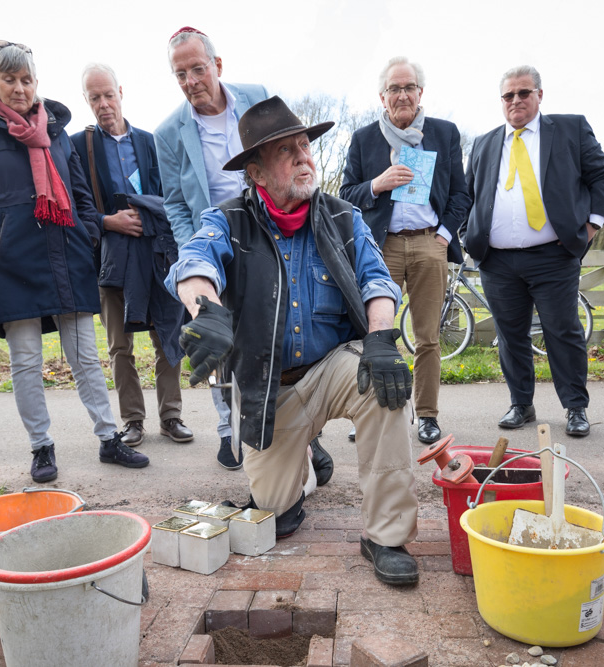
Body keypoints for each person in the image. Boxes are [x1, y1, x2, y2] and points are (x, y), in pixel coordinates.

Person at [166, 97, 420, 586]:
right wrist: (207, 310)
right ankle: (304, 460)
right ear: (257, 174)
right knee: (276, 517)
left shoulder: (345, 217)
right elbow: (193, 263)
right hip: (270, 387)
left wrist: (383, 338)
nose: (305, 157)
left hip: (333, 370)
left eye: (306, 146)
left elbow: (377, 281)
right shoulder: (229, 219)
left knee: (383, 385)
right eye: (288, 151)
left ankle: (385, 536)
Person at [0, 42, 147, 482]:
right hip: (13, 261)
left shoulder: (53, 128)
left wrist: (86, 231)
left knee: (86, 357)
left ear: (37, 83)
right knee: (26, 361)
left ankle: (109, 439)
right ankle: (41, 447)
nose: (19, 88)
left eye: (26, 80)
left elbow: (79, 192)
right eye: (9, 79)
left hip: (66, 253)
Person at [155, 27, 331, 483]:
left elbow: (287, 150)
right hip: (219, 238)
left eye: (197, 68)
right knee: (218, 336)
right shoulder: (168, 132)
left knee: (284, 327)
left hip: (274, 230)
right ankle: (228, 427)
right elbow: (174, 200)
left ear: (217, 65)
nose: (191, 80)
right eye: (180, 74)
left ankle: (305, 435)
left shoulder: (257, 98)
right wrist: (195, 251)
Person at [463, 65, 604, 437]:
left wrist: (591, 225)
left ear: (539, 95)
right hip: (497, 260)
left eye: (524, 93)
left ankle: (576, 407)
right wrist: (468, 234)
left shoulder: (569, 129)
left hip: (553, 255)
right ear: (501, 101)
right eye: (508, 95)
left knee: (562, 331)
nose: (516, 101)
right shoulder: (484, 143)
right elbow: (468, 196)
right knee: (510, 334)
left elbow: (602, 176)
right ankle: (521, 404)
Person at [340, 58, 471, 445]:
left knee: (428, 336)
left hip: (431, 242)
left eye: (408, 87)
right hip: (383, 248)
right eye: (394, 88)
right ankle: (366, 411)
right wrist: (376, 185)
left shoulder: (444, 134)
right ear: (382, 96)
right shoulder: (365, 139)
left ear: (420, 93)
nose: (402, 95)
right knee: (373, 334)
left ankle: (427, 415)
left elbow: (461, 194)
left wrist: (445, 236)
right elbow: (347, 196)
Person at [72, 63, 192, 448]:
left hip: (157, 254)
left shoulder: (151, 141)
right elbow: (76, 205)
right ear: (87, 101)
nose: (103, 104)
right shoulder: (79, 147)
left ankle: (171, 416)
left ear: (121, 92)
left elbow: (172, 195)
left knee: (167, 334)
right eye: (95, 98)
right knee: (119, 344)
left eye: (108, 95)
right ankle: (133, 421)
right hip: (111, 259)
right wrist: (109, 221)